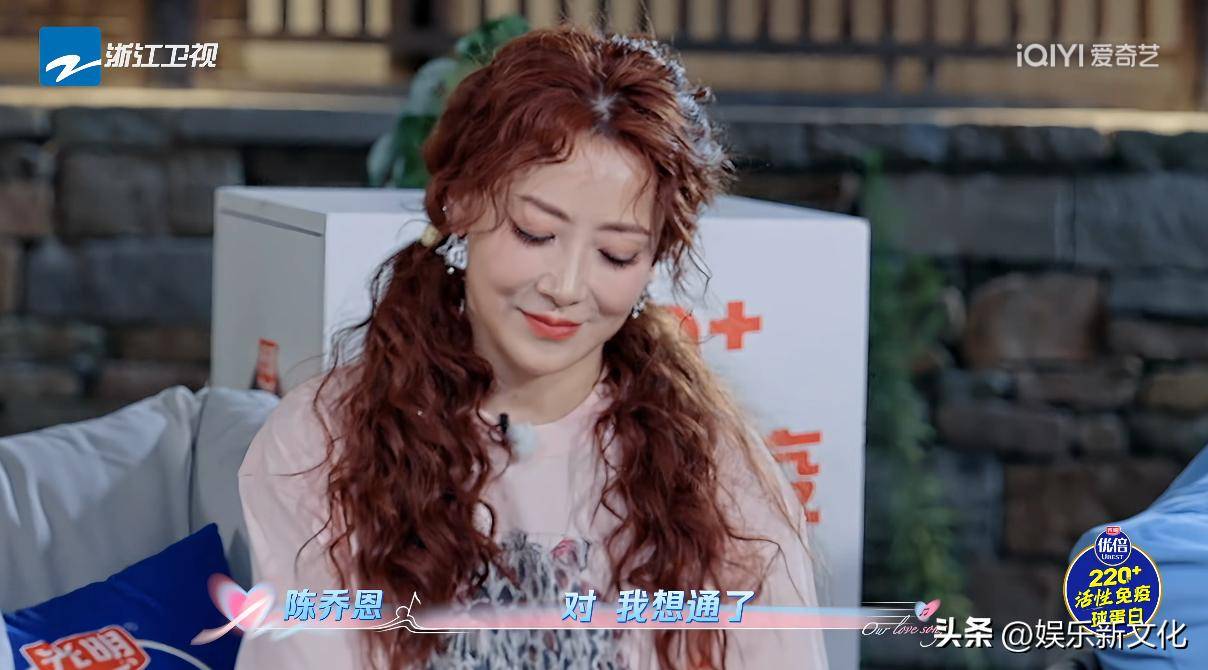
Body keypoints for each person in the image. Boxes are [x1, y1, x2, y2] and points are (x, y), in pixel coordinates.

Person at [235, 23, 829, 670]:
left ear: (653, 260)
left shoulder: (716, 471)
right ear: (460, 203)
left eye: (616, 254)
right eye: (535, 233)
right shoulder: (321, 444)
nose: (566, 288)